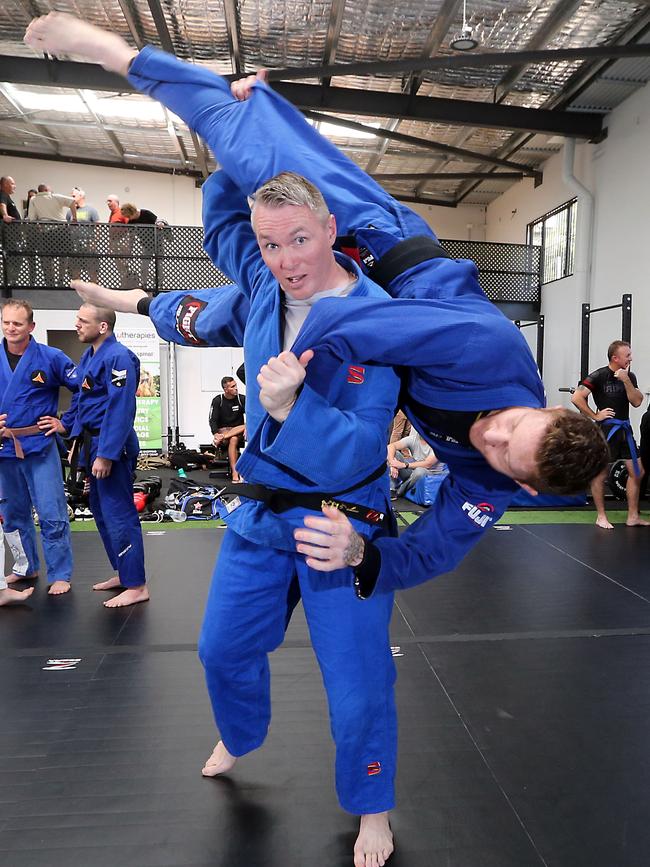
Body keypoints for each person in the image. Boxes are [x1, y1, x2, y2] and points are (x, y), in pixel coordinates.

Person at [22, 14, 608, 865]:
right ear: (544, 403)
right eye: (510, 423)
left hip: (346, 506)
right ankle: (123, 56)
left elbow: (434, 533)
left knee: (360, 683)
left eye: (499, 448)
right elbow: (241, 307)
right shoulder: (481, 346)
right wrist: (163, 303)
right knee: (248, 137)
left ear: (514, 480)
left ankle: (373, 805)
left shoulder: (489, 477)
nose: (490, 432)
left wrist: (367, 556)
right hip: (395, 247)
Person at [45, 303, 149, 608]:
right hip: (91, 444)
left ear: (103, 326)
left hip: (110, 446)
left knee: (119, 513)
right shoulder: (89, 356)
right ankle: (123, 572)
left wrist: (106, 455)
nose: (76, 324)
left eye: (82, 320)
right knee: (101, 511)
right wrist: (67, 430)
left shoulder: (118, 357)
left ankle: (137, 584)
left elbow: (121, 408)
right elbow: (82, 397)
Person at [0, 299, 77, 595]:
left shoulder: (51, 357)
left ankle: (60, 572)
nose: (11, 328)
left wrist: (65, 422)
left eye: (17, 323)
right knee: (13, 513)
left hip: (40, 446)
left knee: (51, 511)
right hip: (4, 450)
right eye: (6, 322)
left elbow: (84, 388)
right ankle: (26, 566)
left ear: (31, 326)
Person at [571, 340, 648, 529]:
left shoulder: (630, 377)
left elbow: (637, 402)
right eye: (627, 355)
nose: (631, 358)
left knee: (637, 472)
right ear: (616, 358)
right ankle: (601, 516)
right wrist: (595, 415)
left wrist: (626, 380)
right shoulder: (599, 376)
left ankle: (632, 516)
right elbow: (577, 397)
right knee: (600, 474)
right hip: (606, 430)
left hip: (625, 430)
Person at [27, 183, 77, 286]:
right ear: (46, 190)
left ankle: (50, 280)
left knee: (47, 258)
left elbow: (31, 218)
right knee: (63, 257)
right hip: (62, 230)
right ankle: (61, 280)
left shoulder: (33, 200)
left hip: (46, 231)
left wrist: (39, 224)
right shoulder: (54, 196)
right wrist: (75, 218)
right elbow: (72, 202)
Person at [208, 375, 246, 481]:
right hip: (223, 430)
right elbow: (212, 419)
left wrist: (247, 428)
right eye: (232, 387)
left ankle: (235, 473)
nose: (236, 388)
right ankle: (235, 472)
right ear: (226, 389)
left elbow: (252, 416)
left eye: (235, 385)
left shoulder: (241, 399)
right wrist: (216, 433)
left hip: (238, 431)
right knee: (232, 438)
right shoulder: (218, 400)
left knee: (237, 435)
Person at [387, 430, 441, 500]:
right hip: (413, 473)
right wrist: (392, 463)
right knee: (394, 454)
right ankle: (392, 488)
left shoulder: (437, 443)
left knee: (420, 471)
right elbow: (391, 446)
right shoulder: (413, 439)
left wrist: (404, 465)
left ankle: (400, 491)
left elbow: (428, 464)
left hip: (430, 476)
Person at [67, 187, 100, 282]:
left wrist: (94, 242)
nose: (72, 198)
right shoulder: (70, 212)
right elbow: (68, 227)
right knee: (75, 273)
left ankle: (94, 294)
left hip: (89, 245)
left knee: (92, 272)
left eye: (74, 196)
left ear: (81, 196)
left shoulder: (91, 210)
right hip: (75, 246)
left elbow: (98, 228)